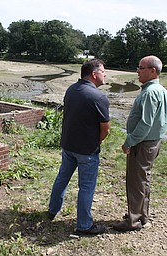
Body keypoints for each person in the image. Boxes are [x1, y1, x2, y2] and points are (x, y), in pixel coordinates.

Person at [47, 59, 110, 236]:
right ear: (94, 74)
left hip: (68, 145)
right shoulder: (98, 97)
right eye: (103, 71)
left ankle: (52, 210)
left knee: (62, 178)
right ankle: (84, 225)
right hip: (86, 151)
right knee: (86, 187)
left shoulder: (71, 89)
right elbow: (105, 128)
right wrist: (96, 142)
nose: (105, 75)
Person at [112, 55, 167, 232]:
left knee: (136, 181)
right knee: (143, 179)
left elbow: (145, 123)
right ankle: (141, 215)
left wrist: (129, 141)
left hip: (143, 143)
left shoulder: (151, 92)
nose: (137, 71)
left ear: (153, 71)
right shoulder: (159, 89)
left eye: (141, 67)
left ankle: (133, 221)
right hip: (151, 143)